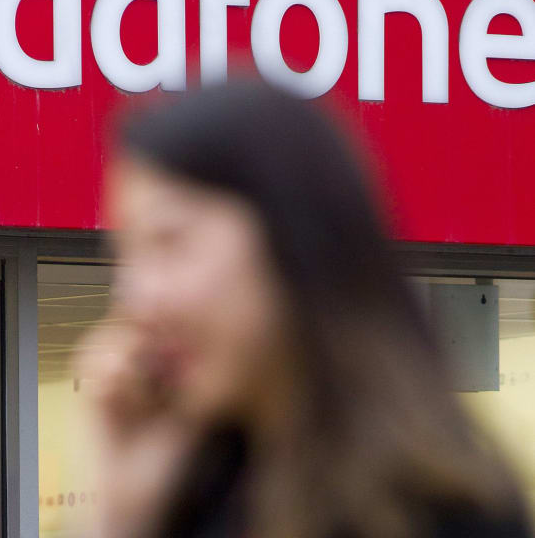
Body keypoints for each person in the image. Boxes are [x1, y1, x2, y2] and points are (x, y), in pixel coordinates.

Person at [75, 82, 532, 538]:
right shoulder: (199, 492)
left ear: (292, 235)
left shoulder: (449, 513)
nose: (136, 297)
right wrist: (125, 515)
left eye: (170, 242)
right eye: (127, 256)